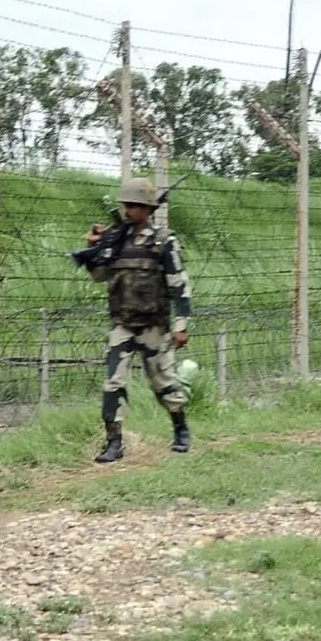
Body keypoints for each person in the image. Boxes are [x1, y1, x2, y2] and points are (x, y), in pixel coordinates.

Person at [80, 176, 193, 463]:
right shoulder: (116, 240)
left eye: (135, 205)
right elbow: (99, 276)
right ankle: (114, 443)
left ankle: (180, 428)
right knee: (113, 384)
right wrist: (94, 250)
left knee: (163, 382)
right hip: (123, 325)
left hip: (153, 326)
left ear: (148, 209)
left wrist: (181, 326)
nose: (129, 210)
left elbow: (179, 285)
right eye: (126, 205)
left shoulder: (164, 241)